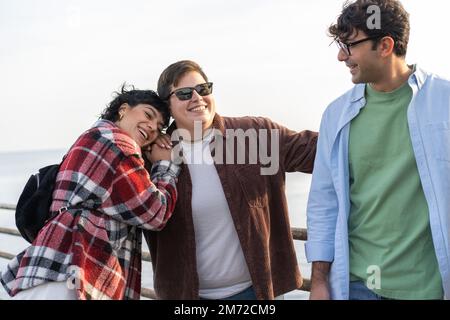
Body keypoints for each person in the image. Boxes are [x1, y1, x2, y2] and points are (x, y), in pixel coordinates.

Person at [306, 0, 450, 300]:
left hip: (428, 289)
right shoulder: (336, 115)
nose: (341, 56)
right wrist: (319, 281)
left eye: (350, 45)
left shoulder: (445, 102)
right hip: (357, 286)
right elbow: (324, 201)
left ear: (385, 46)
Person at [144, 60, 318, 300]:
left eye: (204, 89)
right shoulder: (152, 155)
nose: (197, 98)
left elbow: (319, 151)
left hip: (253, 293)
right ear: (167, 105)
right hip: (186, 296)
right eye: (184, 93)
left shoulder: (255, 134)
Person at [0, 86, 180, 300]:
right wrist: (165, 165)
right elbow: (156, 213)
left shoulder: (94, 136)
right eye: (148, 115)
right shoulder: (120, 146)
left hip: (52, 261)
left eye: (159, 127)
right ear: (123, 110)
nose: (152, 127)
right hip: (74, 269)